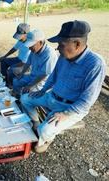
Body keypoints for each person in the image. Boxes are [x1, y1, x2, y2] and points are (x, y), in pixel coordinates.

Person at [20, 20, 106, 153]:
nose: (58, 48)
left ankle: (47, 139)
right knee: (25, 98)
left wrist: (66, 113)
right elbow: (53, 76)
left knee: (43, 135)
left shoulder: (95, 64)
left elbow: (87, 101)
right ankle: (36, 125)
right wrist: (42, 91)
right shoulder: (64, 56)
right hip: (52, 96)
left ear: (77, 44)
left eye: (61, 44)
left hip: (70, 107)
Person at [13, 30, 57, 99]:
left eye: (31, 45)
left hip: (43, 82)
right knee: (16, 81)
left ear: (40, 43)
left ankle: (23, 100)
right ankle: (18, 98)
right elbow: (28, 63)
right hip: (33, 76)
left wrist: (31, 85)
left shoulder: (49, 53)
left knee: (27, 96)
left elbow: (44, 74)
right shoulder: (34, 50)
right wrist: (21, 74)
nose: (29, 48)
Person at [0, 23, 31, 87]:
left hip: (26, 65)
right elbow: (14, 48)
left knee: (12, 70)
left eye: (21, 37)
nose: (19, 39)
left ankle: (11, 86)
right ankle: (4, 80)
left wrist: (13, 66)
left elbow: (24, 63)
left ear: (26, 34)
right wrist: (5, 56)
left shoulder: (30, 44)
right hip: (18, 59)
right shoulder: (21, 40)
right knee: (3, 61)